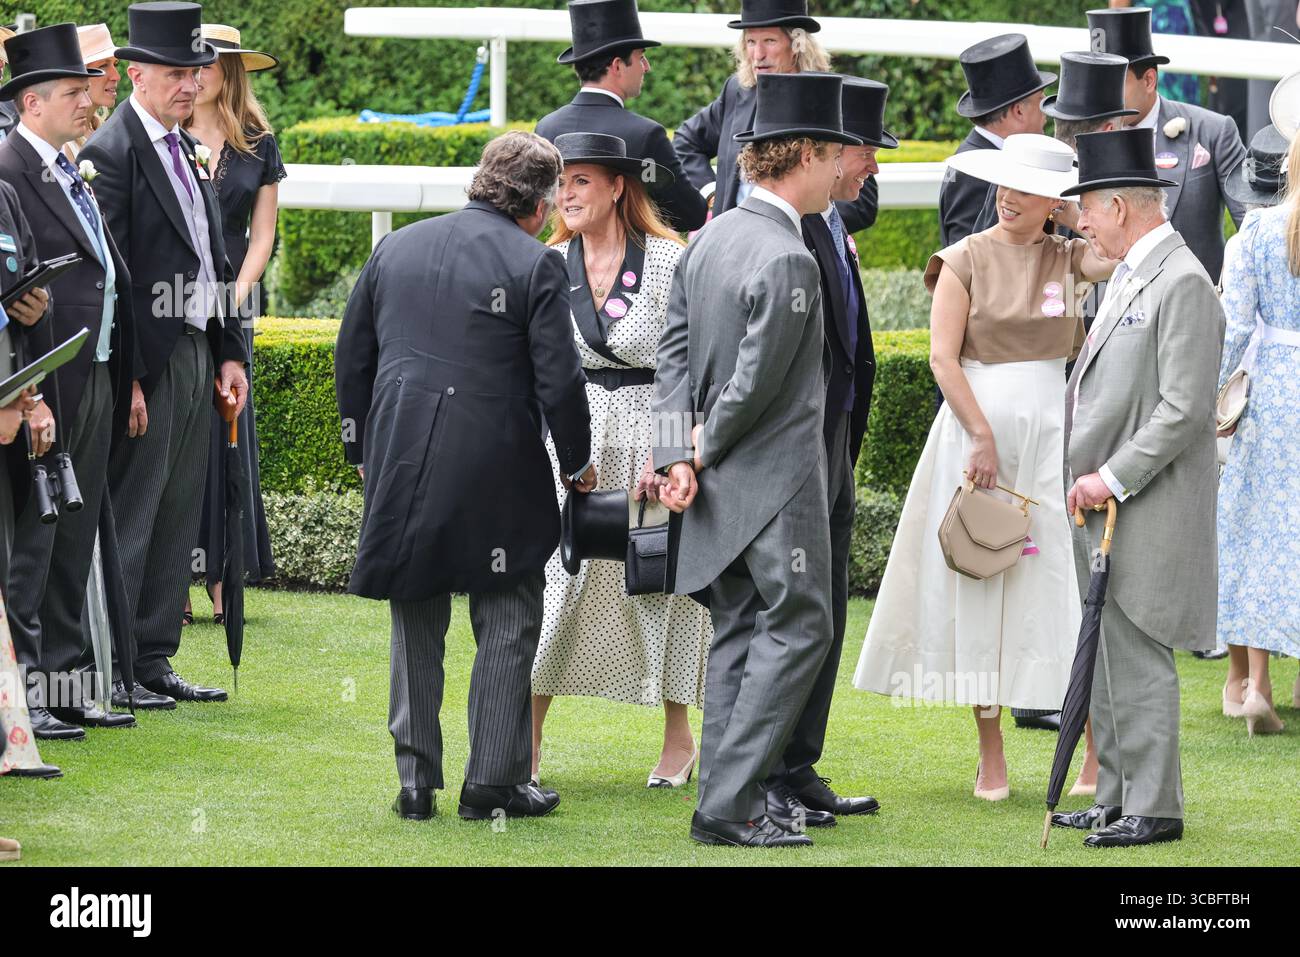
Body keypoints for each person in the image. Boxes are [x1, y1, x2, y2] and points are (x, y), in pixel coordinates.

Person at [336, 131, 594, 823]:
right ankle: (492, 782)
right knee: (507, 614)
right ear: (539, 206)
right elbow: (560, 382)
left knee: (415, 613)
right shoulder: (537, 264)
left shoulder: (397, 247)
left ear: (481, 181)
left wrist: (359, 442)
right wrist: (578, 463)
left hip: (402, 458)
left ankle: (416, 782)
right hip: (496, 467)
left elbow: (351, 352)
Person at [856, 134, 1113, 801]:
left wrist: (1073, 216)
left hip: (1056, 435)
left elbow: (1125, 253)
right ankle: (990, 753)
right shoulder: (962, 258)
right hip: (977, 438)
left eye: (1025, 187)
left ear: (1052, 200)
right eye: (1003, 183)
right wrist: (979, 434)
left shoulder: (1071, 258)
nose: (1007, 196)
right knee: (983, 579)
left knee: (1061, 583)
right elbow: (944, 358)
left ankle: (1088, 749)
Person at [653, 71, 854, 847]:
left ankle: (725, 800)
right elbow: (753, 387)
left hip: (715, 484)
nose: (842, 169)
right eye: (835, 153)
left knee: (740, 628)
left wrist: (677, 452)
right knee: (802, 625)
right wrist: (697, 445)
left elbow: (673, 359)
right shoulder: (788, 257)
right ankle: (731, 801)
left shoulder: (709, 242)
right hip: (776, 484)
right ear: (801, 154)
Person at [1051, 127, 1222, 847]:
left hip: (1142, 499)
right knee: (1112, 651)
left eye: (1087, 206)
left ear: (1120, 206)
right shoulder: (1130, 270)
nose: (1081, 220)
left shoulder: (1181, 279)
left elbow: (1184, 407)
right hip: (1113, 500)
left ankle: (1154, 807)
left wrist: (1109, 476)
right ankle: (1118, 794)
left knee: (1140, 647)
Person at [78, 1, 249, 708]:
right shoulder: (111, 154)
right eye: (177, 72)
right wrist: (131, 379)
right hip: (146, 359)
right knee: (136, 508)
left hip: (194, 350)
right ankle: (115, 662)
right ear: (136, 74)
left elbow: (216, 257)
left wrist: (228, 350)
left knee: (179, 507)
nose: (191, 84)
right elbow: (106, 279)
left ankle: (154, 657)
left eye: (196, 71)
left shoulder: (186, 148)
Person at [529, 132, 711, 789]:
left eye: (581, 181)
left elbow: (683, 366)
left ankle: (678, 738)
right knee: (557, 583)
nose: (567, 194)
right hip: (574, 446)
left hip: (650, 441)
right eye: (561, 182)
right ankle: (528, 735)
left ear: (616, 187)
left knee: (657, 582)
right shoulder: (549, 261)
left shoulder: (668, 260)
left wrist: (669, 454)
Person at [0, 23, 142, 736]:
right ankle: (27, 696)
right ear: (33, 104)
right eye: (72, 93)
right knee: (33, 538)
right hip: (43, 379)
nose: (88, 103)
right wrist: (28, 393)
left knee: (74, 532)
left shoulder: (63, 163)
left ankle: (64, 684)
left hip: (95, 372)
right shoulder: (9, 170)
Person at [772, 76, 893, 823]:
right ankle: (772, 773)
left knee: (829, 610)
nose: (876, 167)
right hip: (803, 449)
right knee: (799, 609)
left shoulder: (829, 221)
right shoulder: (793, 228)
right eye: (872, 152)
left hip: (837, 439)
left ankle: (798, 764)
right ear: (836, 152)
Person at [182, 23, 281, 626]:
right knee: (180, 429)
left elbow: (263, 236)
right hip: (175, 299)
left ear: (230, 69)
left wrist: (234, 297)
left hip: (234, 297)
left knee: (228, 428)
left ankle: (223, 577)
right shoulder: (168, 134)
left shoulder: (259, 142)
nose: (197, 73)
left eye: (208, 63)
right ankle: (177, 578)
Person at [1214, 122, 1298, 736]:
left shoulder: (1256, 234)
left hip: (1274, 390)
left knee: (1259, 527)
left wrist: (1209, 395)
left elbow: (1234, 327)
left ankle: (1257, 686)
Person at [673, 0, 879, 232]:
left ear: (797, 44)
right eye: (751, 42)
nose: (758, 54)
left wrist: (794, 223)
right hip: (730, 243)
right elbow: (686, 142)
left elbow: (862, 206)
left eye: (769, 41)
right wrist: (712, 193)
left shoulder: (831, 99)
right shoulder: (737, 90)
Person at [1089, 6, 1246, 281]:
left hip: (1195, 305)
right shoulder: (1085, 136)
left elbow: (1252, 226)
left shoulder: (1213, 130)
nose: (1103, 96)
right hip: (1107, 311)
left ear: (1149, 79)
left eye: (1113, 82)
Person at [535, 0, 707, 233]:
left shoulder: (545, 128)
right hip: (631, 264)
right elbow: (690, 215)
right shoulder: (645, 134)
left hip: (562, 261)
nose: (646, 67)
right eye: (640, 57)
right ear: (617, 66)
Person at [939, 34, 1056, 248]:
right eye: (1041, 100)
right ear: (1019, 111)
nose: (1046, 113)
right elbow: (966, 256)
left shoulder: (978, 155)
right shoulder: (976, 168)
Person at [64, 23, 120, 160]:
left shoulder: (108, 131)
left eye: (115, 64)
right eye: (103, 66)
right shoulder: (63, 146)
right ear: (78, 76)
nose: (117, 76)